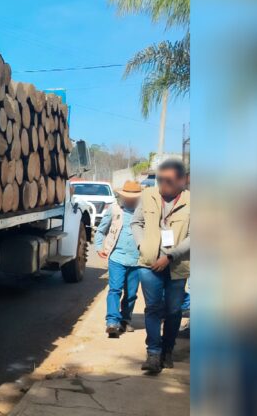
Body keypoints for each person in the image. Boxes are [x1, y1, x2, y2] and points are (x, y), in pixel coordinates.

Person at [131, 159, 190, 374]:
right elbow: (136, 222)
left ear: (183, 180)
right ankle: (153, 353)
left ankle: (168, 350)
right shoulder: (148, 196)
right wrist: (142, 245)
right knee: (153, 309)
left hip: (177, 266)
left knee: (174, 311)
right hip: (149, 265)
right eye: (160, 180)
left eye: (169, 180)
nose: (163, 185)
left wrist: (170, 256)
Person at [95, 181, 143, 338]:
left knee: (131, 294)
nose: (130, 200)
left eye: (134, 197)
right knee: (115, 289)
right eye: (128, 197)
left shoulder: (145, 212)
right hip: (116, 258)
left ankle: (125, 320)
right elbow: (100, 230)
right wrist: (99, 247)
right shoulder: (115, 209)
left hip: (137, 260)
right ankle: (112, 322)